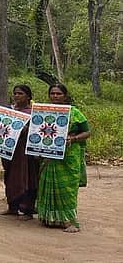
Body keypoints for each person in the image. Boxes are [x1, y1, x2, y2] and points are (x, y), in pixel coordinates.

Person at [36, 83, 90, 233]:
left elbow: (87, 132)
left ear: (65, 96)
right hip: (49, 156)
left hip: (69, 156)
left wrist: (73, 139)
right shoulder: (43, 113)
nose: (55, 96)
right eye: (52, 93)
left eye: (59, 94)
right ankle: (50, 218)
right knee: (47, 184)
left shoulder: (75, 112)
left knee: (68, 188)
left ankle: (71, 221)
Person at [1, 84, 39, 219]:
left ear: (28, 96)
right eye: (15, 93)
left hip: (26, 152)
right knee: (11, 177)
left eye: (20, 94)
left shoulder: (33, 112)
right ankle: (12, 207)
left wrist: (26, 130)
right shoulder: (9, 111)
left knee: (27, 178)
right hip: (11, 150)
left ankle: (28, 210)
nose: (17, 96)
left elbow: (38, 131)